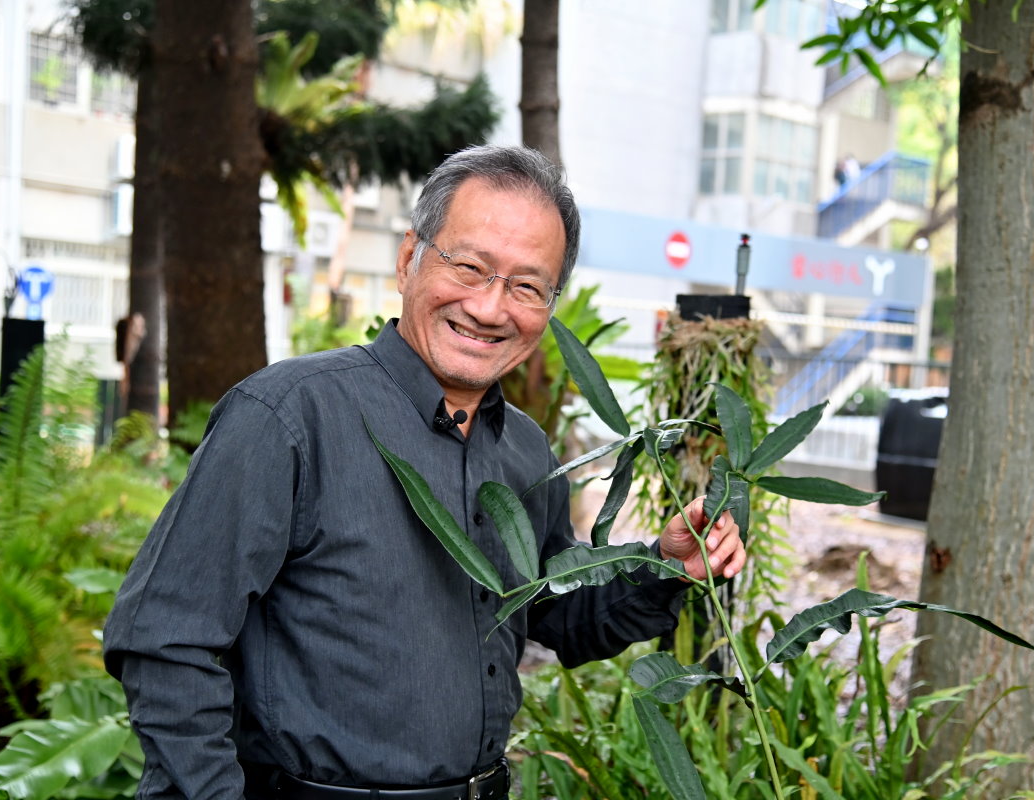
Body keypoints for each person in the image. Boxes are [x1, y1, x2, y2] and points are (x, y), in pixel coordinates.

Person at [103, 145, 746, 800]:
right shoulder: (288, 418)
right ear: (409, 258)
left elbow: (557, 607)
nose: (492, 308)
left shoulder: (523, 448)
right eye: (469, 267)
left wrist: (666, 566)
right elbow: (166, 642)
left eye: (527, 286)